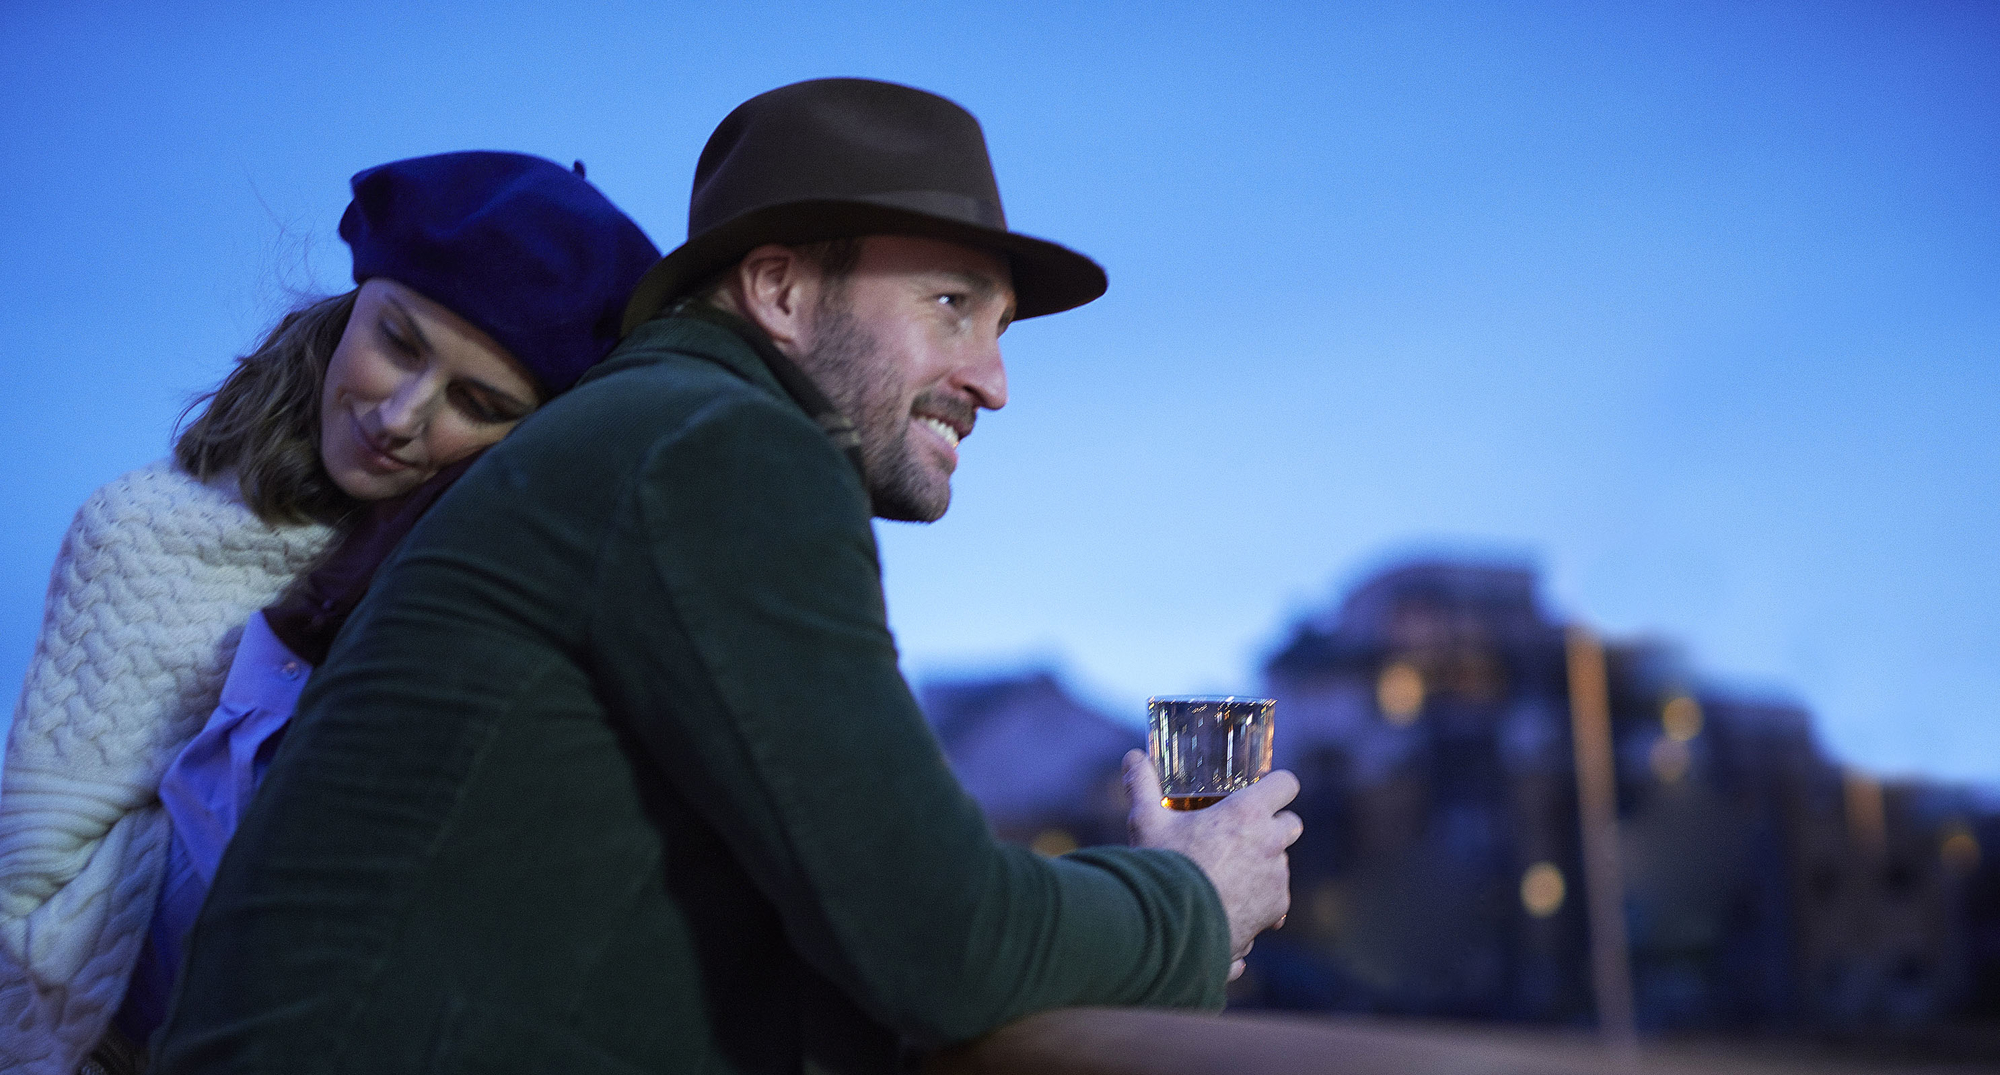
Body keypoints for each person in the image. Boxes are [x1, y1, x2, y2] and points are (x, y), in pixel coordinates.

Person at [152, 79, 1302, 1075]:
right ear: (780, 291)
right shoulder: (717, 447)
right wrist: (1196, 898)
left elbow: (833, 937)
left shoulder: (648, 432)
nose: (992, 381)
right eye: (952, 305)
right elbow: (942, 940)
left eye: (1001, 328)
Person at [0, 151, 658, 1075]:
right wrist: (306, 632)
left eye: (476, 403)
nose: (398, 416)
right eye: (398, 343)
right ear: (353, 307)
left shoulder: (523, 594)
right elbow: (27, 907)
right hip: (131, 1018)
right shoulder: (144, 532)